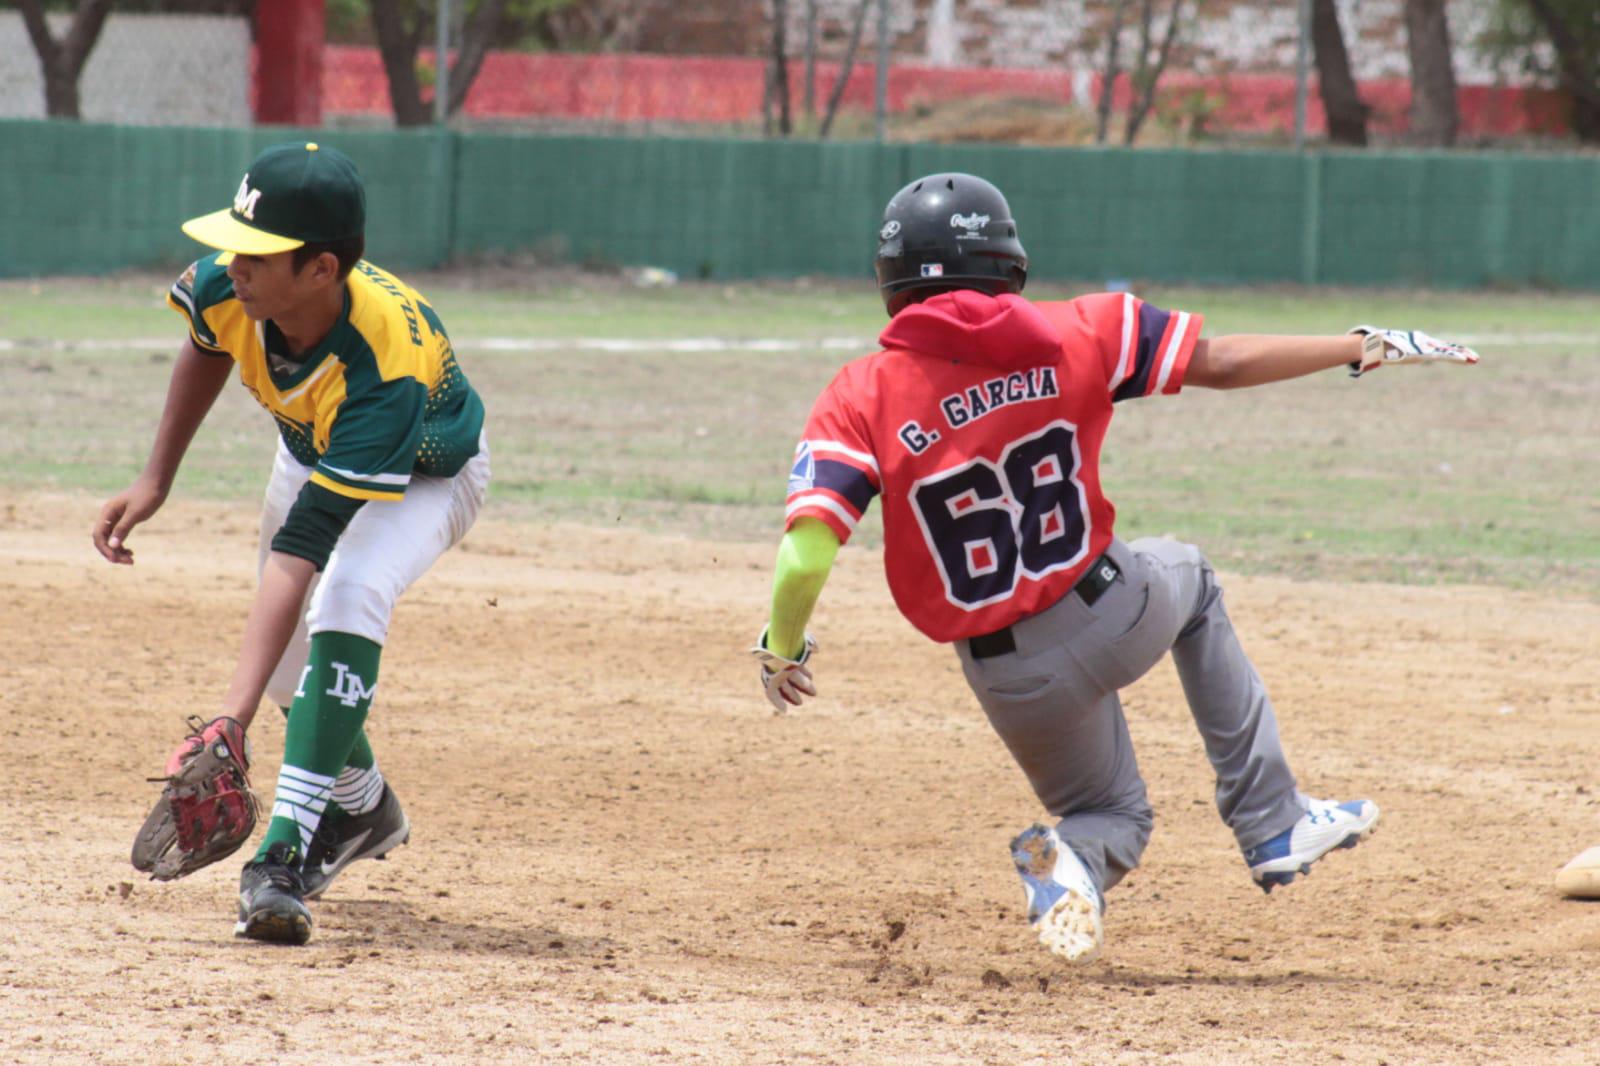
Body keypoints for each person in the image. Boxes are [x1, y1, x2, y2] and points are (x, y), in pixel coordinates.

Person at [750, 172, 1479, 964]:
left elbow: (806, 554)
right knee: (1191, 579)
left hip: (1009, 678)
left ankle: (1071, 859)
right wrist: (1365, 344)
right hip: (1111, 607)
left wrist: (780, 646)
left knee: (1109, 814)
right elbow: (1225, 361)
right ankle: (1272, 821)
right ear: (1010, 264)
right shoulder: (1084, 328)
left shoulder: (860, 393)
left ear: (890, 281)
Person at [95, 142, 489, 946]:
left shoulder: (387, 366)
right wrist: (156, 477)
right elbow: (208, 346)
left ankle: (279, 858)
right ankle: (361, 807)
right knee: (282, 662)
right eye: (237, 240)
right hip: (316, 449)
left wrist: (228, 721)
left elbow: (302, 550)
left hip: (426, 473)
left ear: (322, 270)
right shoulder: (229, 285)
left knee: (347, 593)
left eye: (260, 252)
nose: (234, 263)